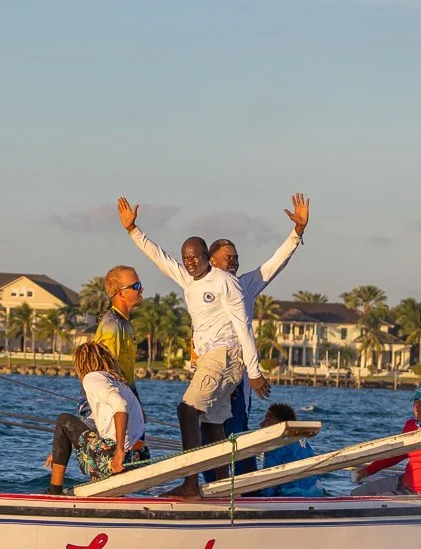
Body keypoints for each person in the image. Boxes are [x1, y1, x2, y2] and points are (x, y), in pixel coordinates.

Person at [118, 196, 264, 498]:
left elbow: (243, 326)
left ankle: (189, 483)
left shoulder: (225, 282)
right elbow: (160, 258)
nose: (190, 262)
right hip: (212, 358)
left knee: (187, 410)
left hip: (225, 355)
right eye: (186, 258)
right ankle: (223, 486)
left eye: (195, 257)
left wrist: (254, 370)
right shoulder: (189, 280)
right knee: (212, 423)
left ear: (206, 256)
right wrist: (134, 230)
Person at [208, 193, 310, 478]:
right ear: (212, 260)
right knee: (209, 435)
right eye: (229, 258)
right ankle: (210, 487)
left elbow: (274, 264)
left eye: (237, 258)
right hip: (208, 371)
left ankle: (245, 487)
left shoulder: (244, 286)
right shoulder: (197, 287)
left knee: (237, 432)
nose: (235, 262)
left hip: (238, 375)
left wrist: (297, 232)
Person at [45, 342, 146, 493]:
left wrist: (119, 452)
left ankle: (54, 491)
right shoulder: (118, 383)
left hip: (118, 458)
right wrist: (60, 450)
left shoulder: (91, 378)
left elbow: (120, 405)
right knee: (81, 432)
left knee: (63, 419)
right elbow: (92, 424)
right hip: (139, 458)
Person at [253, 402, 323, 497]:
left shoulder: (274, 447)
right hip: (316, 494)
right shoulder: (303, 444)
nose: (261, 424)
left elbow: (268, 484)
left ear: (281, 425)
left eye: (267, 420)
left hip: (292, 497)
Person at [93, 265, 144, 389]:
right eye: (136, 286)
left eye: (140, 284)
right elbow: (108, 373)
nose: (141, 289)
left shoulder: (124, 322)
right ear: (121, 293)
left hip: (126, 394)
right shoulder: (112, 326)